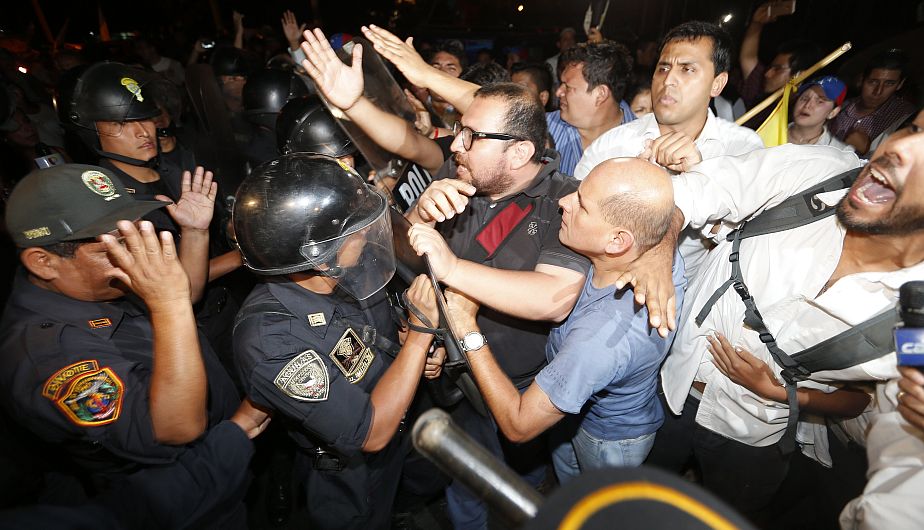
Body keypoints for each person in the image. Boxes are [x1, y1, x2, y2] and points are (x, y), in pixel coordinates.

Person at [649, 108, 924, 523]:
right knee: (642, 495)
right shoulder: (818, 171)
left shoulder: (913, 321)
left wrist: (779, 393)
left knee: (726, 516)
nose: (900, 147)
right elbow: (698, 191)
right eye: (915, 129)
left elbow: (865, 404)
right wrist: (658, 251)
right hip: (671, 384)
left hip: (752, 431)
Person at [0, 163, 247, 525]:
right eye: (114, 243)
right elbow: (177, 428)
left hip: (220, 457)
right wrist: (167, 303)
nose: (133, 253)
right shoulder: (46, 352)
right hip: (177, 500)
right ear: (44, 262)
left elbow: (187, 293)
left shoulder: (95, 278)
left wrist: (194, 233)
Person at [412, 157, 684, 482]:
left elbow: (519, 425)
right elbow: (669, 213)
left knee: (590, 504)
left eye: (582, 205)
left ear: (616, 241)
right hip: (574, 410)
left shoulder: (599, 341)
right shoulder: (649, 253)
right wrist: (664, 247)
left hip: (606, 438)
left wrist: (467, 328)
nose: (564, 201)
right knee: (563, 472)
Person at [231, 154, 443, 530]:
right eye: (354, 229)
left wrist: (411, 347)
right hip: (349, 476)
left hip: (401, 429)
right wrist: (420, 336)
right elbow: (371, 432)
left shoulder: (343, 270)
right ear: (315, 253)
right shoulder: (271, 340)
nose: (364, 234)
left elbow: (379, 335)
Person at [64, 61, 215, 302]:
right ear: (91, 131)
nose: (143, 132)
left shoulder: (175, 166)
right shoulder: (110, 204)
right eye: (120, 124)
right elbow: (181, 293)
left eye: (144, 118)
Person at [547, 40, 636, 175]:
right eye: (561, 84)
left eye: (568, 87)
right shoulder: (542, 128)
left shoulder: (643, 141)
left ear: (600, 94)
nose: (559, 92)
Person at [736, 2, 820, 129]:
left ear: (799, 76)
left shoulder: (800, 116)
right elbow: (748, 57)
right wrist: (756, 23)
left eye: (777, 69)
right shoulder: (759, 89)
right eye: (770, 67)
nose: (767, 73)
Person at [829, 48, 916, 157]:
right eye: (873, 82)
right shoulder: (842, 107)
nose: (878, 91)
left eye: (889, 84)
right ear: (861, 80)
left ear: (900, 84)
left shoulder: (906, 118)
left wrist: (866, 150)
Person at [787, 76, 852, 150]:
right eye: (804, 98)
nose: (807, 105)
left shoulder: (840, 152)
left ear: (833, 112)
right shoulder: (773, 130)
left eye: (819, 101)